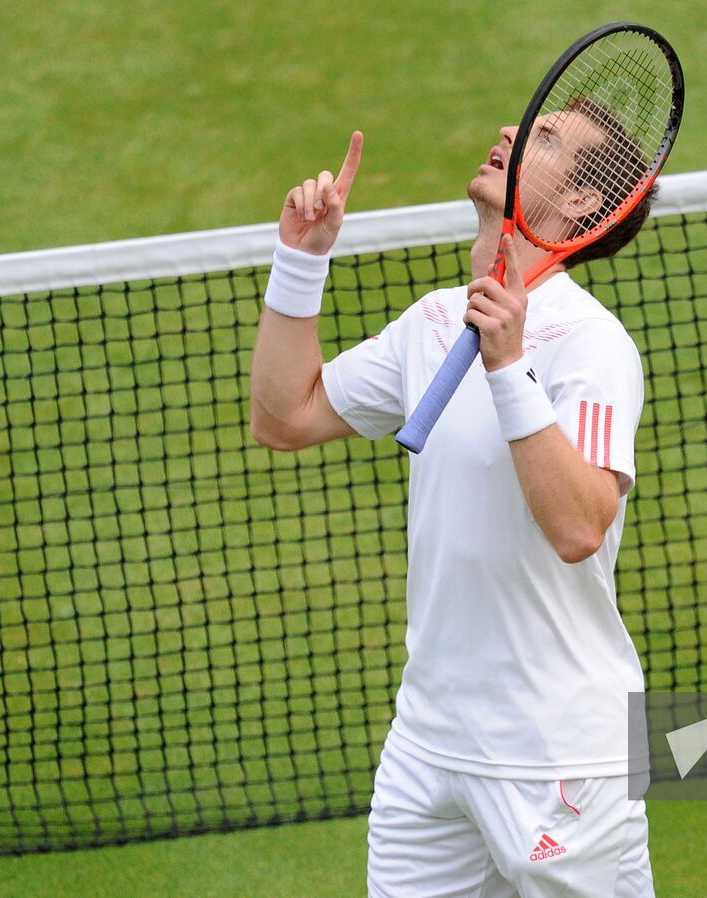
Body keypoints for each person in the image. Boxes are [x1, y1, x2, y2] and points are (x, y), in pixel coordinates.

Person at [249, 110, 657, 898]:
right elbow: (284, 416)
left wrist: (508, 370)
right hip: (429, 747)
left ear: (580, 202)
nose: (509, 128)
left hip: (559, 758)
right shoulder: (433, 322)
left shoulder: (591, 346)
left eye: (542, 138)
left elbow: (579, 526)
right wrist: (299, 264)